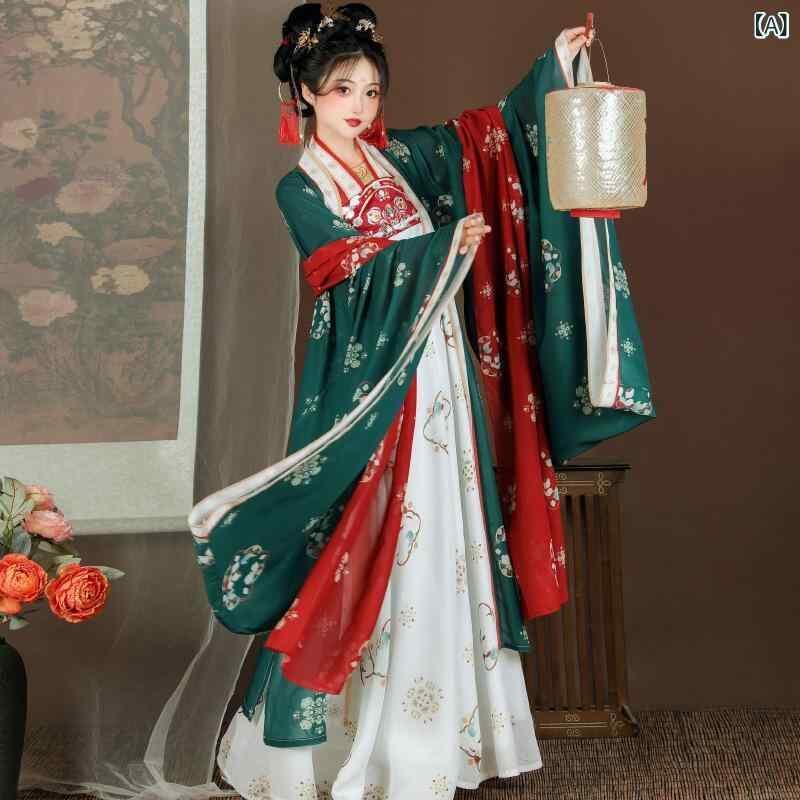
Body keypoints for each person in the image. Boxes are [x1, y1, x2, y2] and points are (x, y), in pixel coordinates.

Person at [188, 4, 653, 798]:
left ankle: (435, 743)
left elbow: (491, 138)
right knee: (370, 538)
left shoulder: (401, 158)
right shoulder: (302, 186)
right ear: (305, 94)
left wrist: (557, 66)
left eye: (371, 90)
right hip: (374, 387)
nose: (359, 106)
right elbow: (343, 270)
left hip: (443, 374)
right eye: (342, 90)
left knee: (444, 529)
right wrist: (442, 247)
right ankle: (350, 749)